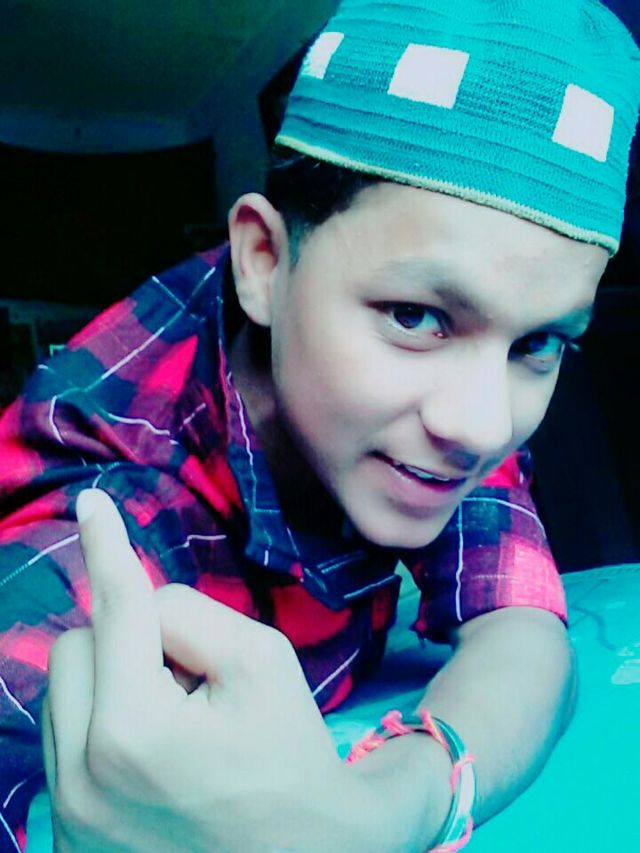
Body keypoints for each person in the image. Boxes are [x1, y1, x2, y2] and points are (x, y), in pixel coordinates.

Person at [1, 0, 638, 850]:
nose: (485, 426)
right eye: (416, 316)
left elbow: (521, 627)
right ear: (265, 263)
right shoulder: (115, 504)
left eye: (538, 343)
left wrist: (392, 804)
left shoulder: (433, 403)